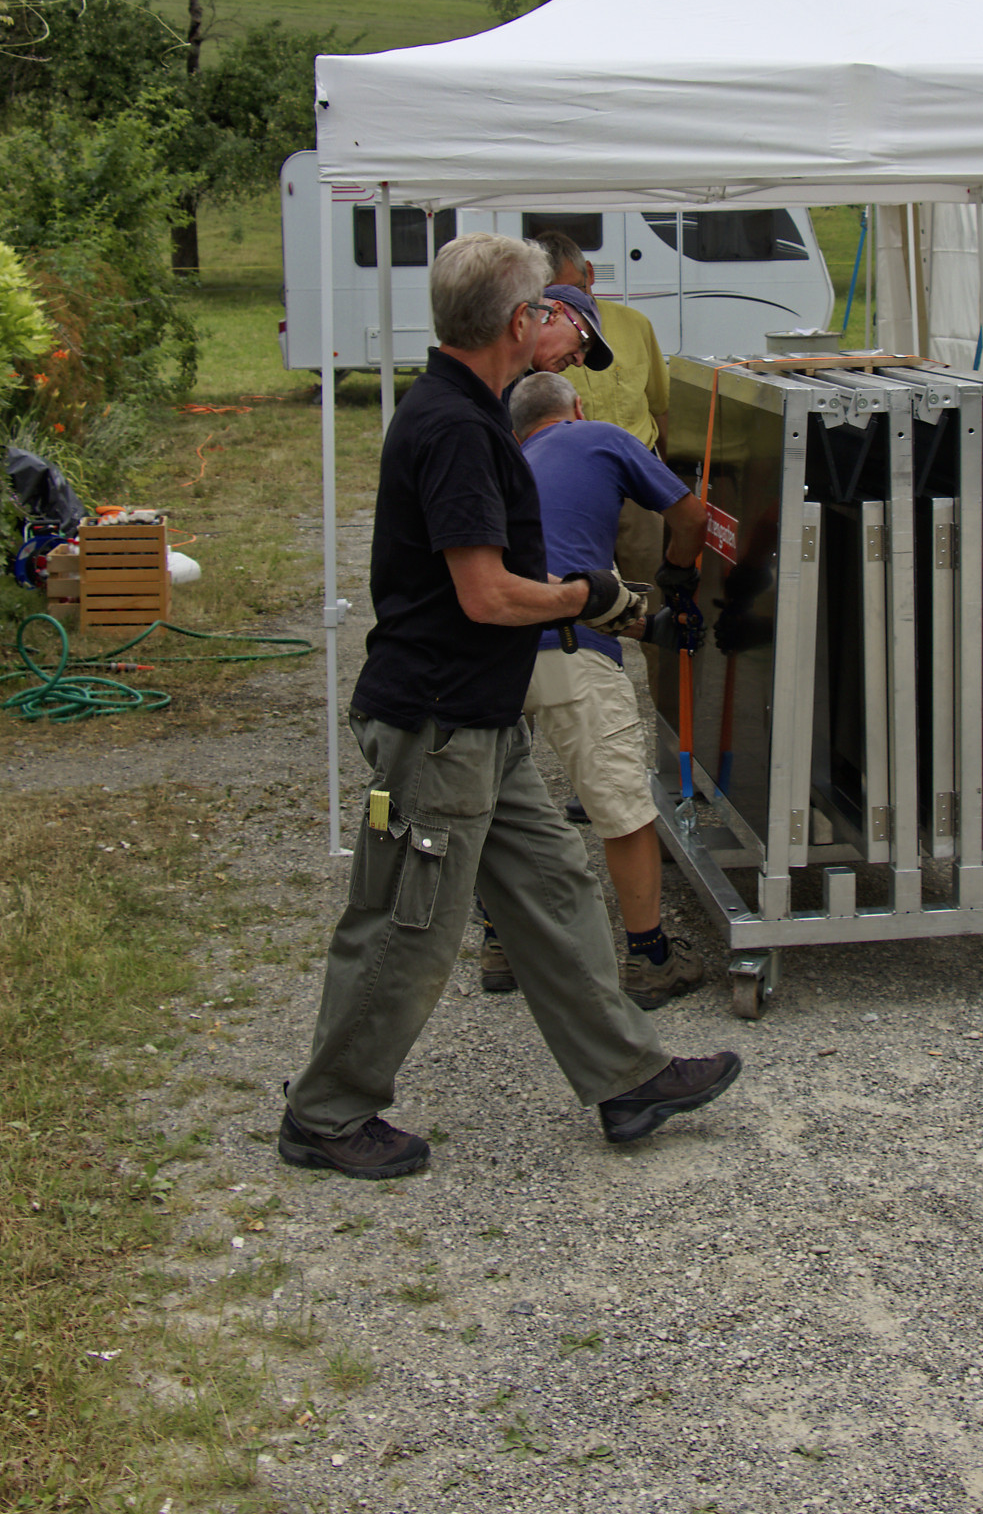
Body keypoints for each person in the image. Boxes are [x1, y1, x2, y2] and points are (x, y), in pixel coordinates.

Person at [278, 232, 739, 1177]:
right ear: (517, 321)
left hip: (482, 713)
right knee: (409, 921)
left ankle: (625, 1077)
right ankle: (325, 1115)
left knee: (556, 888)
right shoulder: (453, 427)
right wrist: (588, 596)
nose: (550, 321)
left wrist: (599, 603)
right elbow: (486, 595)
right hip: (437, 722)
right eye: (543, 308)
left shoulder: (477, 412)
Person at [480, 370, 706, 1009]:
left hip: (493, 655)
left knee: (496, 805)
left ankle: (500, 944)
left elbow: (548, 569)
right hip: (570, 650)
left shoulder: (502, 464)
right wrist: (677, 577)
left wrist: (645, 626)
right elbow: (690, 517)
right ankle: (650, 958)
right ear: (576, 408)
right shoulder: (598, 437)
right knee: (622, 810)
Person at [532, 228, 673, 730]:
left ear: (590, 275)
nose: (564, 303)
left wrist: (670, 481)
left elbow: (659, 405)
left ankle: (671, 734)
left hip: (638, 492)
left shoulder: (634, 325)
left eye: (573, 289)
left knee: (658, 609)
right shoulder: (531, 339)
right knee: (571, 608)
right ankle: (581, 731)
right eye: (549, 295)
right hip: (568, 496)